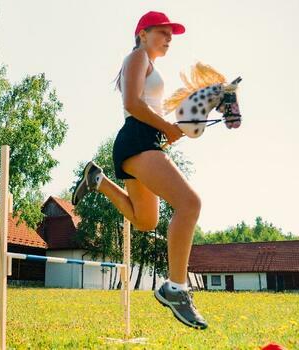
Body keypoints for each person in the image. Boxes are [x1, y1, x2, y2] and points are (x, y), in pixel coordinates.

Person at [72, 11, 207, 329]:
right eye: (163, 31)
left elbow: (146, 108)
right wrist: (166, 128)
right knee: (190, 204)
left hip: (144, 141)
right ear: (143, 33)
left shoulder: (150, 64)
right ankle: (176, 288)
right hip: (136, 140)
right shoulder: (136, 56)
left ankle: (99, 181)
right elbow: (133, 104)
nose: (169, 38)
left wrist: (167, 132)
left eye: (171, 34)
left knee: (146, 221)